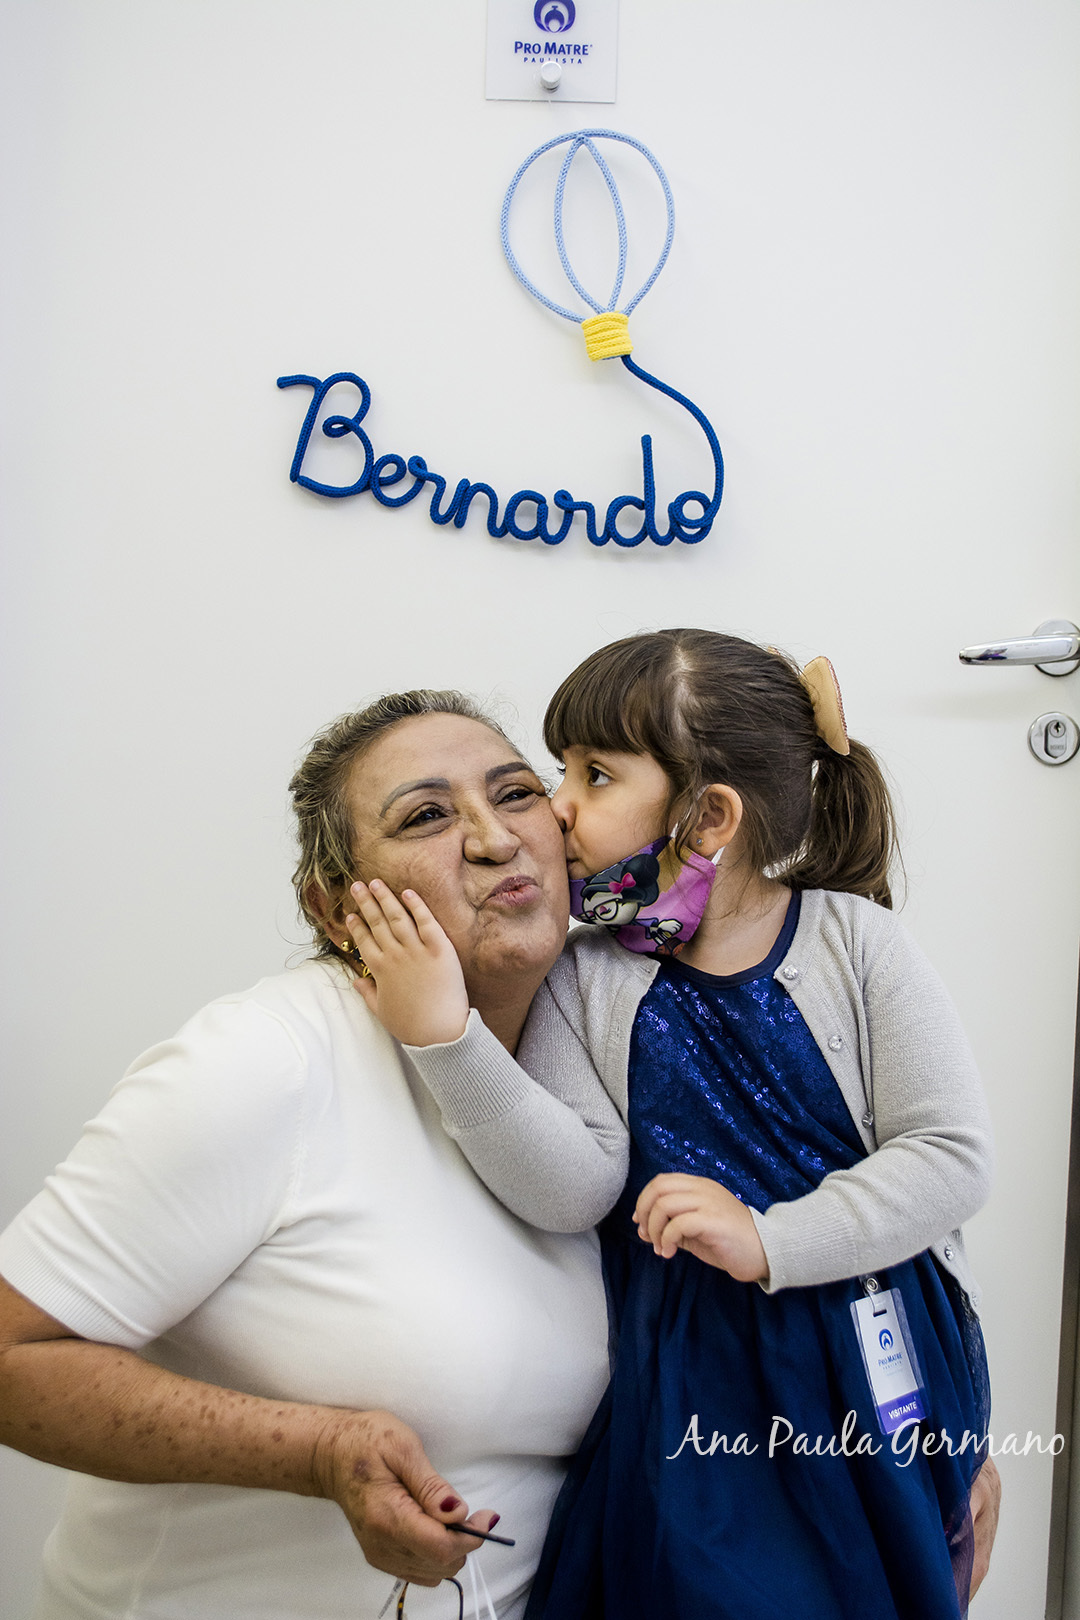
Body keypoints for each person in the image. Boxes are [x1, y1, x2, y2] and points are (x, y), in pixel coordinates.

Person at [342, 631, 996, 1619]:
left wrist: (773, 1238)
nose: (556, 804)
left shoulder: (858, 944)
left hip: (868, 1349)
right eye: (561, 768)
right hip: (692, 1372)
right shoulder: (588, 973)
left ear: (709, 816)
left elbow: (948, 1159)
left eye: (594, 774)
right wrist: (451, 1043)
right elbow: (576, 1188)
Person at [0, 690, 618, 1620]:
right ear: (333, 908)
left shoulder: (597, 1074)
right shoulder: (264, 1062)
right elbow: (14, 1354)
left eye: (519, 793)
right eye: (427, 815)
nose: (495, 839)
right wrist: (319, 1452)